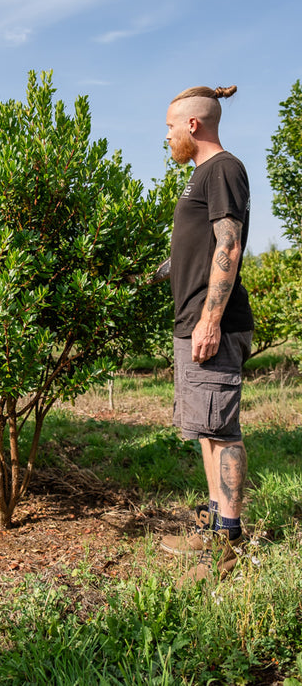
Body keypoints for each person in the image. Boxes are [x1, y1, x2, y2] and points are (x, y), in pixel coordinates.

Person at [158, 85, 254, 584]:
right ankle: (216, 528)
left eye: (170, 126)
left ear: (193, 125)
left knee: (223, 430)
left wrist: (211, 320)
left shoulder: (223, 169)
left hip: (211, 322)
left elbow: (229, 245)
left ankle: (229, 545)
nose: (167, 135)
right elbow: (193, 252)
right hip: (193, 320)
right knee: (205, 428)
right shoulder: (200, 177)